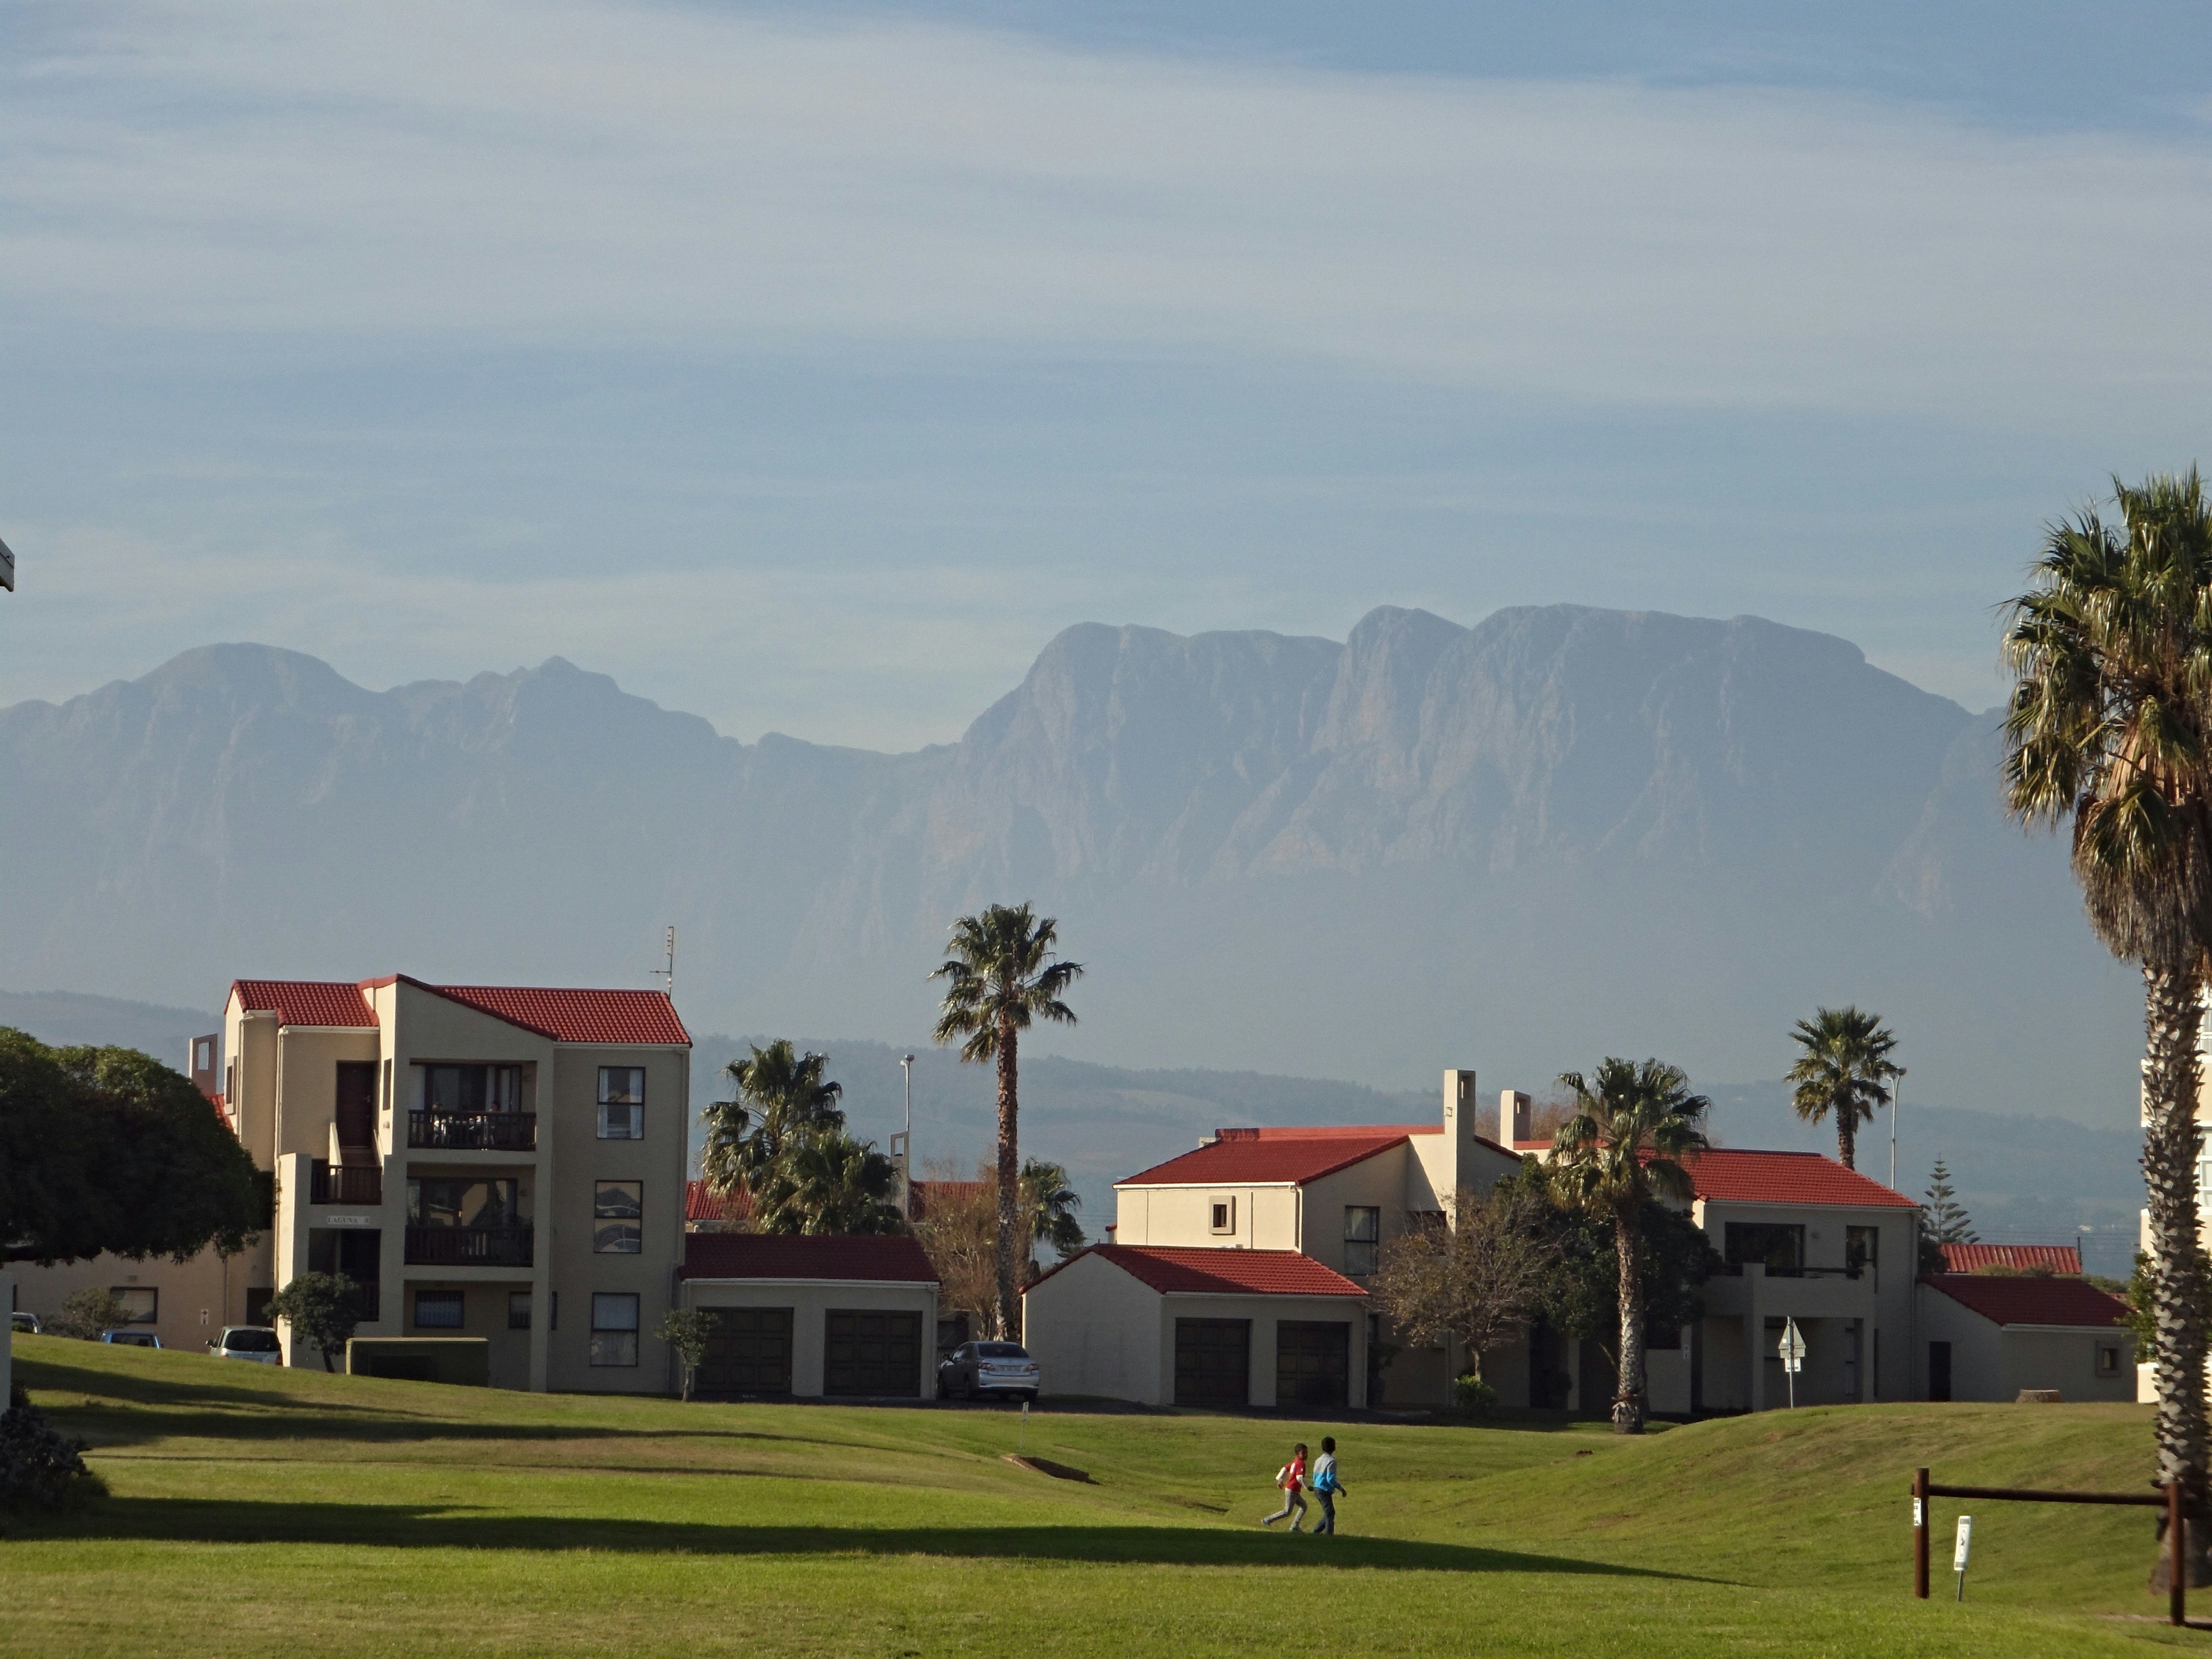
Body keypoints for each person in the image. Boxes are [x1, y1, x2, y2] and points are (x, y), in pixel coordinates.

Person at [1261, 1441, 1309, 1530]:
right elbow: (1299, 1478)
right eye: (1303, 1453)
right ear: (1298, 1454)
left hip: (1293, 1490)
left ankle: (1295, 1526)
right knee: (1287, 1511)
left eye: (1307, 1453)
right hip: (1292, 1490)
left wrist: (1280, 1479)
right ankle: (1267, 1520)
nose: (1306, 1455)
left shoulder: (1295, 1462)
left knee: (1304, 1506)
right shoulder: (1301, 1463)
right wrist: (1308, 1487)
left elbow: (1285, 1469)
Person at [1310, 1436, 1347, 1535]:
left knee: (1329, 1513)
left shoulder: (1318, 1460)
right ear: (1334, 1448)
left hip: (1317, 1488)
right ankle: (1328, 1534)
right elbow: (1330, 1479)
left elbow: (1315, 1476)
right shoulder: (1332, 1461)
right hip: (1324, 1490)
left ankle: (1316, 1532)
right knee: (1330, 1514)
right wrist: (1340, 1488)